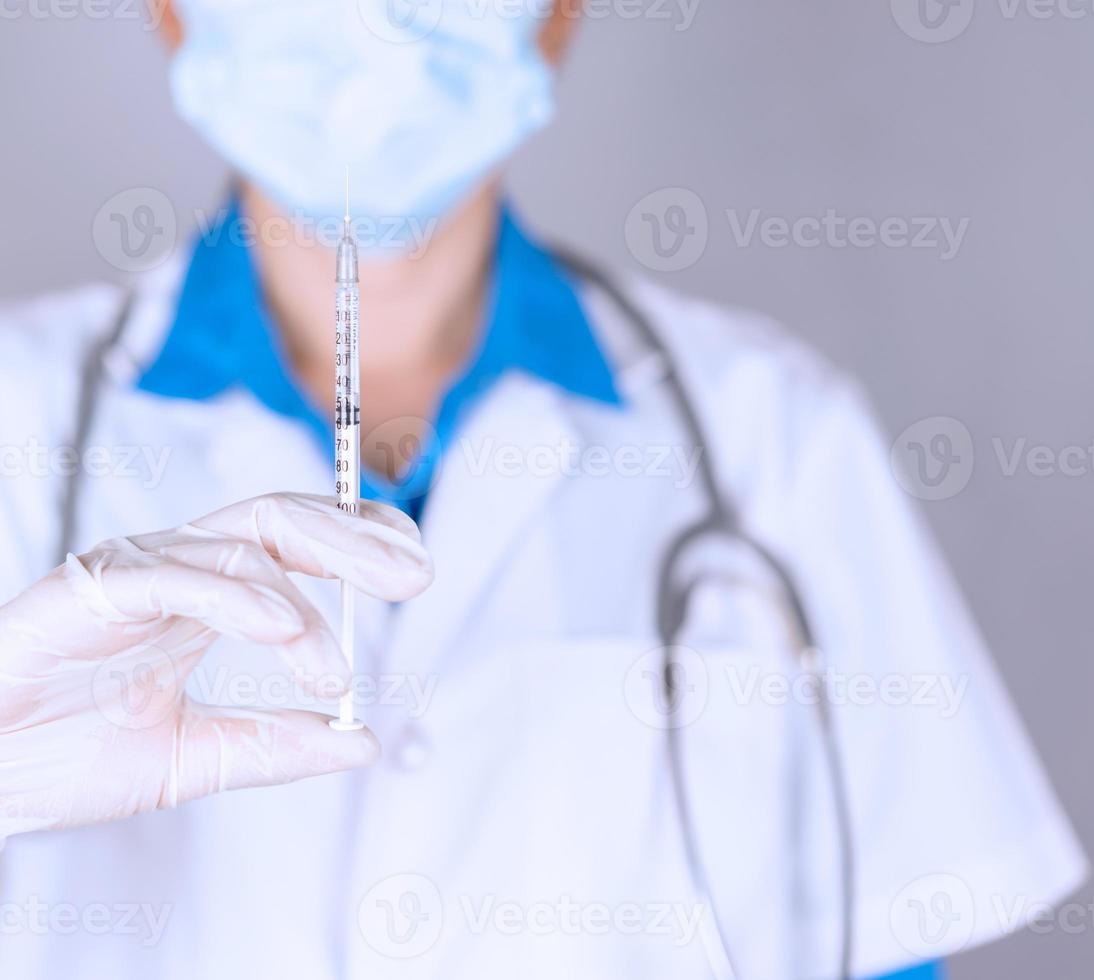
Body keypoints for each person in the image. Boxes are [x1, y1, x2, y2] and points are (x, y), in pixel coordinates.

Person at [0, 1, 1085, 977]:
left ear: (557, 15)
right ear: (172, 13)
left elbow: (880, 943)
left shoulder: (775, 436)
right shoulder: (19, 417)